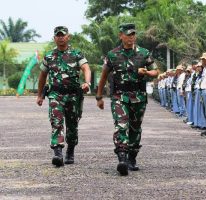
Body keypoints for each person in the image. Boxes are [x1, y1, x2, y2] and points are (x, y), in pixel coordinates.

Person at [96, 23, 158, 176]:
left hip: (138, 96)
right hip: (119, 96)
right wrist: (99, 96)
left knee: (135, 128)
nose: (131, 37)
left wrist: (147, 73)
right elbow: (104, 76)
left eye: (133, 34)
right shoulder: (112, 55)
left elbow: (156, 71)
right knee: (121, 125)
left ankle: (132, 157)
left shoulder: (144, 53)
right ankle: (122, 158)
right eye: (128, 34)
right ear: (121, 35)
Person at [36, 26, 91, 167]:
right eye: (58, 35)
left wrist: (87, 82)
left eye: (63, 35)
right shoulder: (49, 56)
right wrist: (40, 95)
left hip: (73, 95)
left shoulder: (76, 54)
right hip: (55, 95)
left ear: (68, 37)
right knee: (56, 122)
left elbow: (86, 68)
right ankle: (58, 153)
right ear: (54, 38)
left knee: (72, 125)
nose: (60, 37)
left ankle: (70, 150)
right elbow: (42, 76)